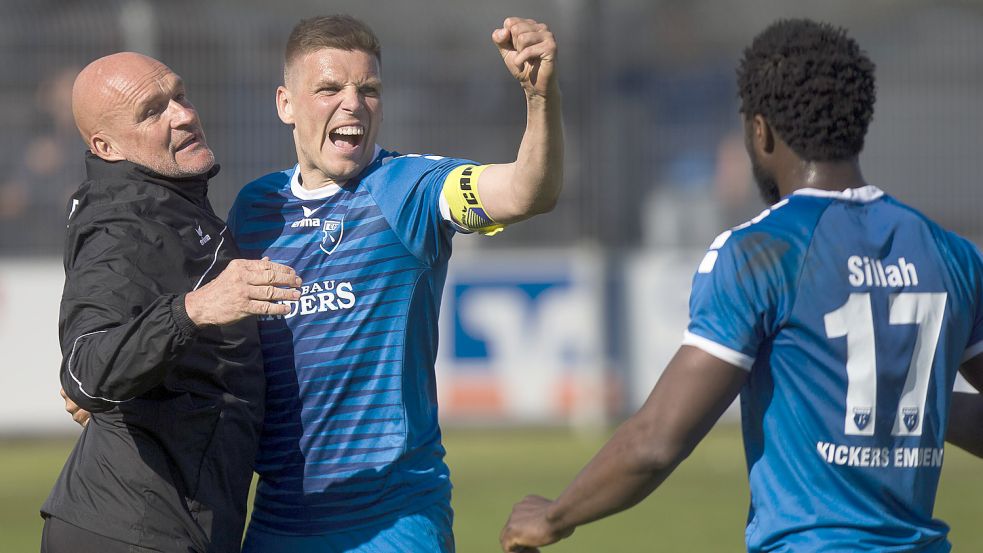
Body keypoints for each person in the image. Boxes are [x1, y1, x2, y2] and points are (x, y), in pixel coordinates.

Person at [499, 18, 983, 553]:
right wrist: (912, 402)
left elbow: (658, 441)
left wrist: (553, 516)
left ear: (761, 131)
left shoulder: (761, 253)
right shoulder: (952, 255)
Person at [227, 14, 562, 552]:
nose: (353, 104)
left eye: (370, 90)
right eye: (330, 88)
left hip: (393, 519)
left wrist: (541, 98)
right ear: (285, 104)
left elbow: (527, 192)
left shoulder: (409, 188)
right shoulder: (256, 209)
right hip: (280, 516)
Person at [42, 52, 301, 553]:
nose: (183, 115)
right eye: (152, 111)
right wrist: (195, 309)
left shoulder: (168, 202)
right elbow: (83, 370)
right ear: (106, 146)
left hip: (168, 525)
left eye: (179, 96)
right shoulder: (121, 225)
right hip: (131, 531)